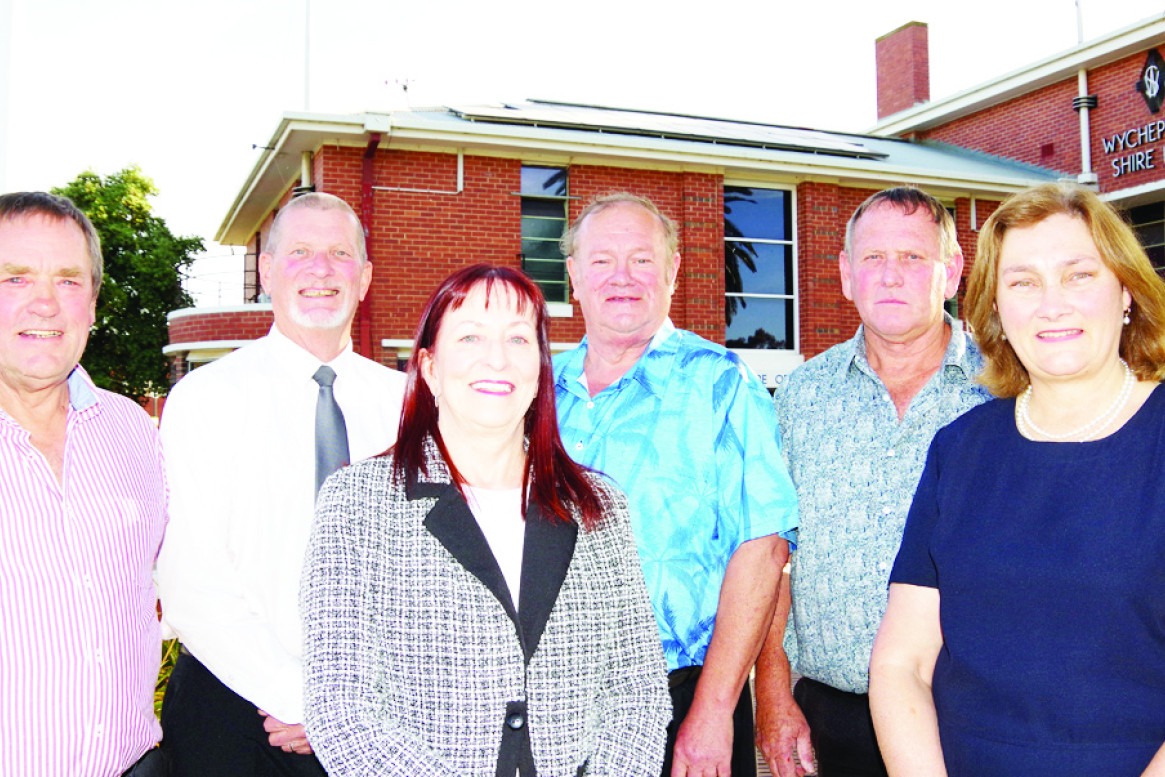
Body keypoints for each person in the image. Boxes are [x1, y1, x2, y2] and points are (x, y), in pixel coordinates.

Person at [301, 263, 670, 776]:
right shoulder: (357, 503)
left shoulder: (599, 506)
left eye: (518, 339)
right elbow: (344, 711)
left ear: (541, 368)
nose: (496, 359)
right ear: (429, 367)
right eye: (470, 336)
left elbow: (638, 693)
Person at [869, 183, 1165, 776]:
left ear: (1126, 291)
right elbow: (903, 663)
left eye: (1079, 275)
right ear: (997, 311)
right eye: (1023, 282)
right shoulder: (960, 449)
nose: (1051, 304)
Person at [157, 192, 406, 777]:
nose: (320, 270)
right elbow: (191, 579)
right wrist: (304, 700)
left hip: (376, 715)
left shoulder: (408, 404)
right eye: (299, 252)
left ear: (365, 277)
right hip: (233, 709)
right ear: (266, 271)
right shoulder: (205, 399)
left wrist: (353, 708)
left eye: (339, 254)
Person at [553, 192, 798, 777]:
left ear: (672, 271)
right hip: (547, 702)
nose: (622, 277)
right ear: (573, 276)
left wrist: (714, 710)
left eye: (642, 259)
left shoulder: (720, 384)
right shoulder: (533, 388)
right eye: (602, 260)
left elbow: (763, 550)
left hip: (679, 696)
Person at [754, 187, 991, 777]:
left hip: (974, 719)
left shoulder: (1008, 391)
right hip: (832, 719)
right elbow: (775, 555)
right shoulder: (802, 398)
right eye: (873, 258)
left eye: (913, 258)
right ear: (844, 274)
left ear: (952, 271)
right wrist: (773, 693)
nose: (891, 277)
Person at [0, 191, 167, 776]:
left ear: (93, 304)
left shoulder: (133, 432)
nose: (45, 303)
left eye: (69, 281)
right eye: (15, 278)